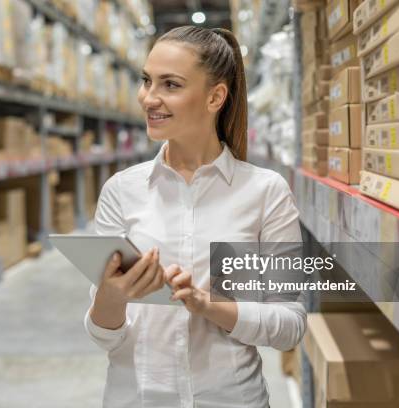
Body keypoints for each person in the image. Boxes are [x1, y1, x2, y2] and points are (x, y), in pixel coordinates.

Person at [84, 26, 306, 408]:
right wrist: (111, 296)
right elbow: (104, 336)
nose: (149, 98)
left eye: (170, 85)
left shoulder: (265, 192)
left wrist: (209, 305)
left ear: (215, 97)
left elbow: (290, 326)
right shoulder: (122, 191)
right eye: (146, 81)